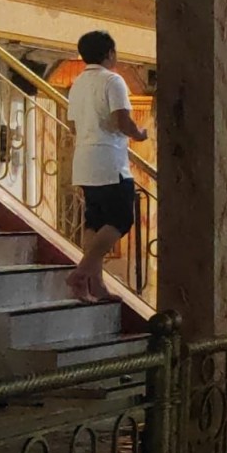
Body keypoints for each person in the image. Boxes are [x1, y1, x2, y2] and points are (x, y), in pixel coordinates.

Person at [65, 31, 147, 302]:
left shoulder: (77, 83)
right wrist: (139, 134)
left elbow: (72, 125)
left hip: (84, 161)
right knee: (122, 219)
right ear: (110, 53)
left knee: (95, 220)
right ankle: (82, 273)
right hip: (109, 162)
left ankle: (95, 285)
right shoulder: (113, 80)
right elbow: (121, 121)